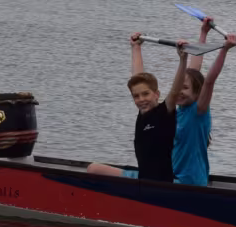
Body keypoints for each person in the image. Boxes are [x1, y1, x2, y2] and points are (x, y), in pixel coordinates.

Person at [90, 26, 216, 180]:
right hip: (154, 176)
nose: (142, 99)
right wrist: (136, 48)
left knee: (94, 170)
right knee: (93, 168)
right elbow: (138, 79)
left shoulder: (176, 111)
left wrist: (183, 58)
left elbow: (196, 78)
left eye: (146, 94)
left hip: (171, 181)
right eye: (137, 96)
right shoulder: (150, 111)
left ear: (157, 94)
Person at [165, 34, 236, 188]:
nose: (179, 91)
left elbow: (209, 81)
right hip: (173, 177)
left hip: (190, 183)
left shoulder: (198, 111)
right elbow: (194, 69)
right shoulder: (177, 111)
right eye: (178, 87)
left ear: (197, 92)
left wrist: (224, 49)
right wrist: (203, 32)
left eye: (185, 88)